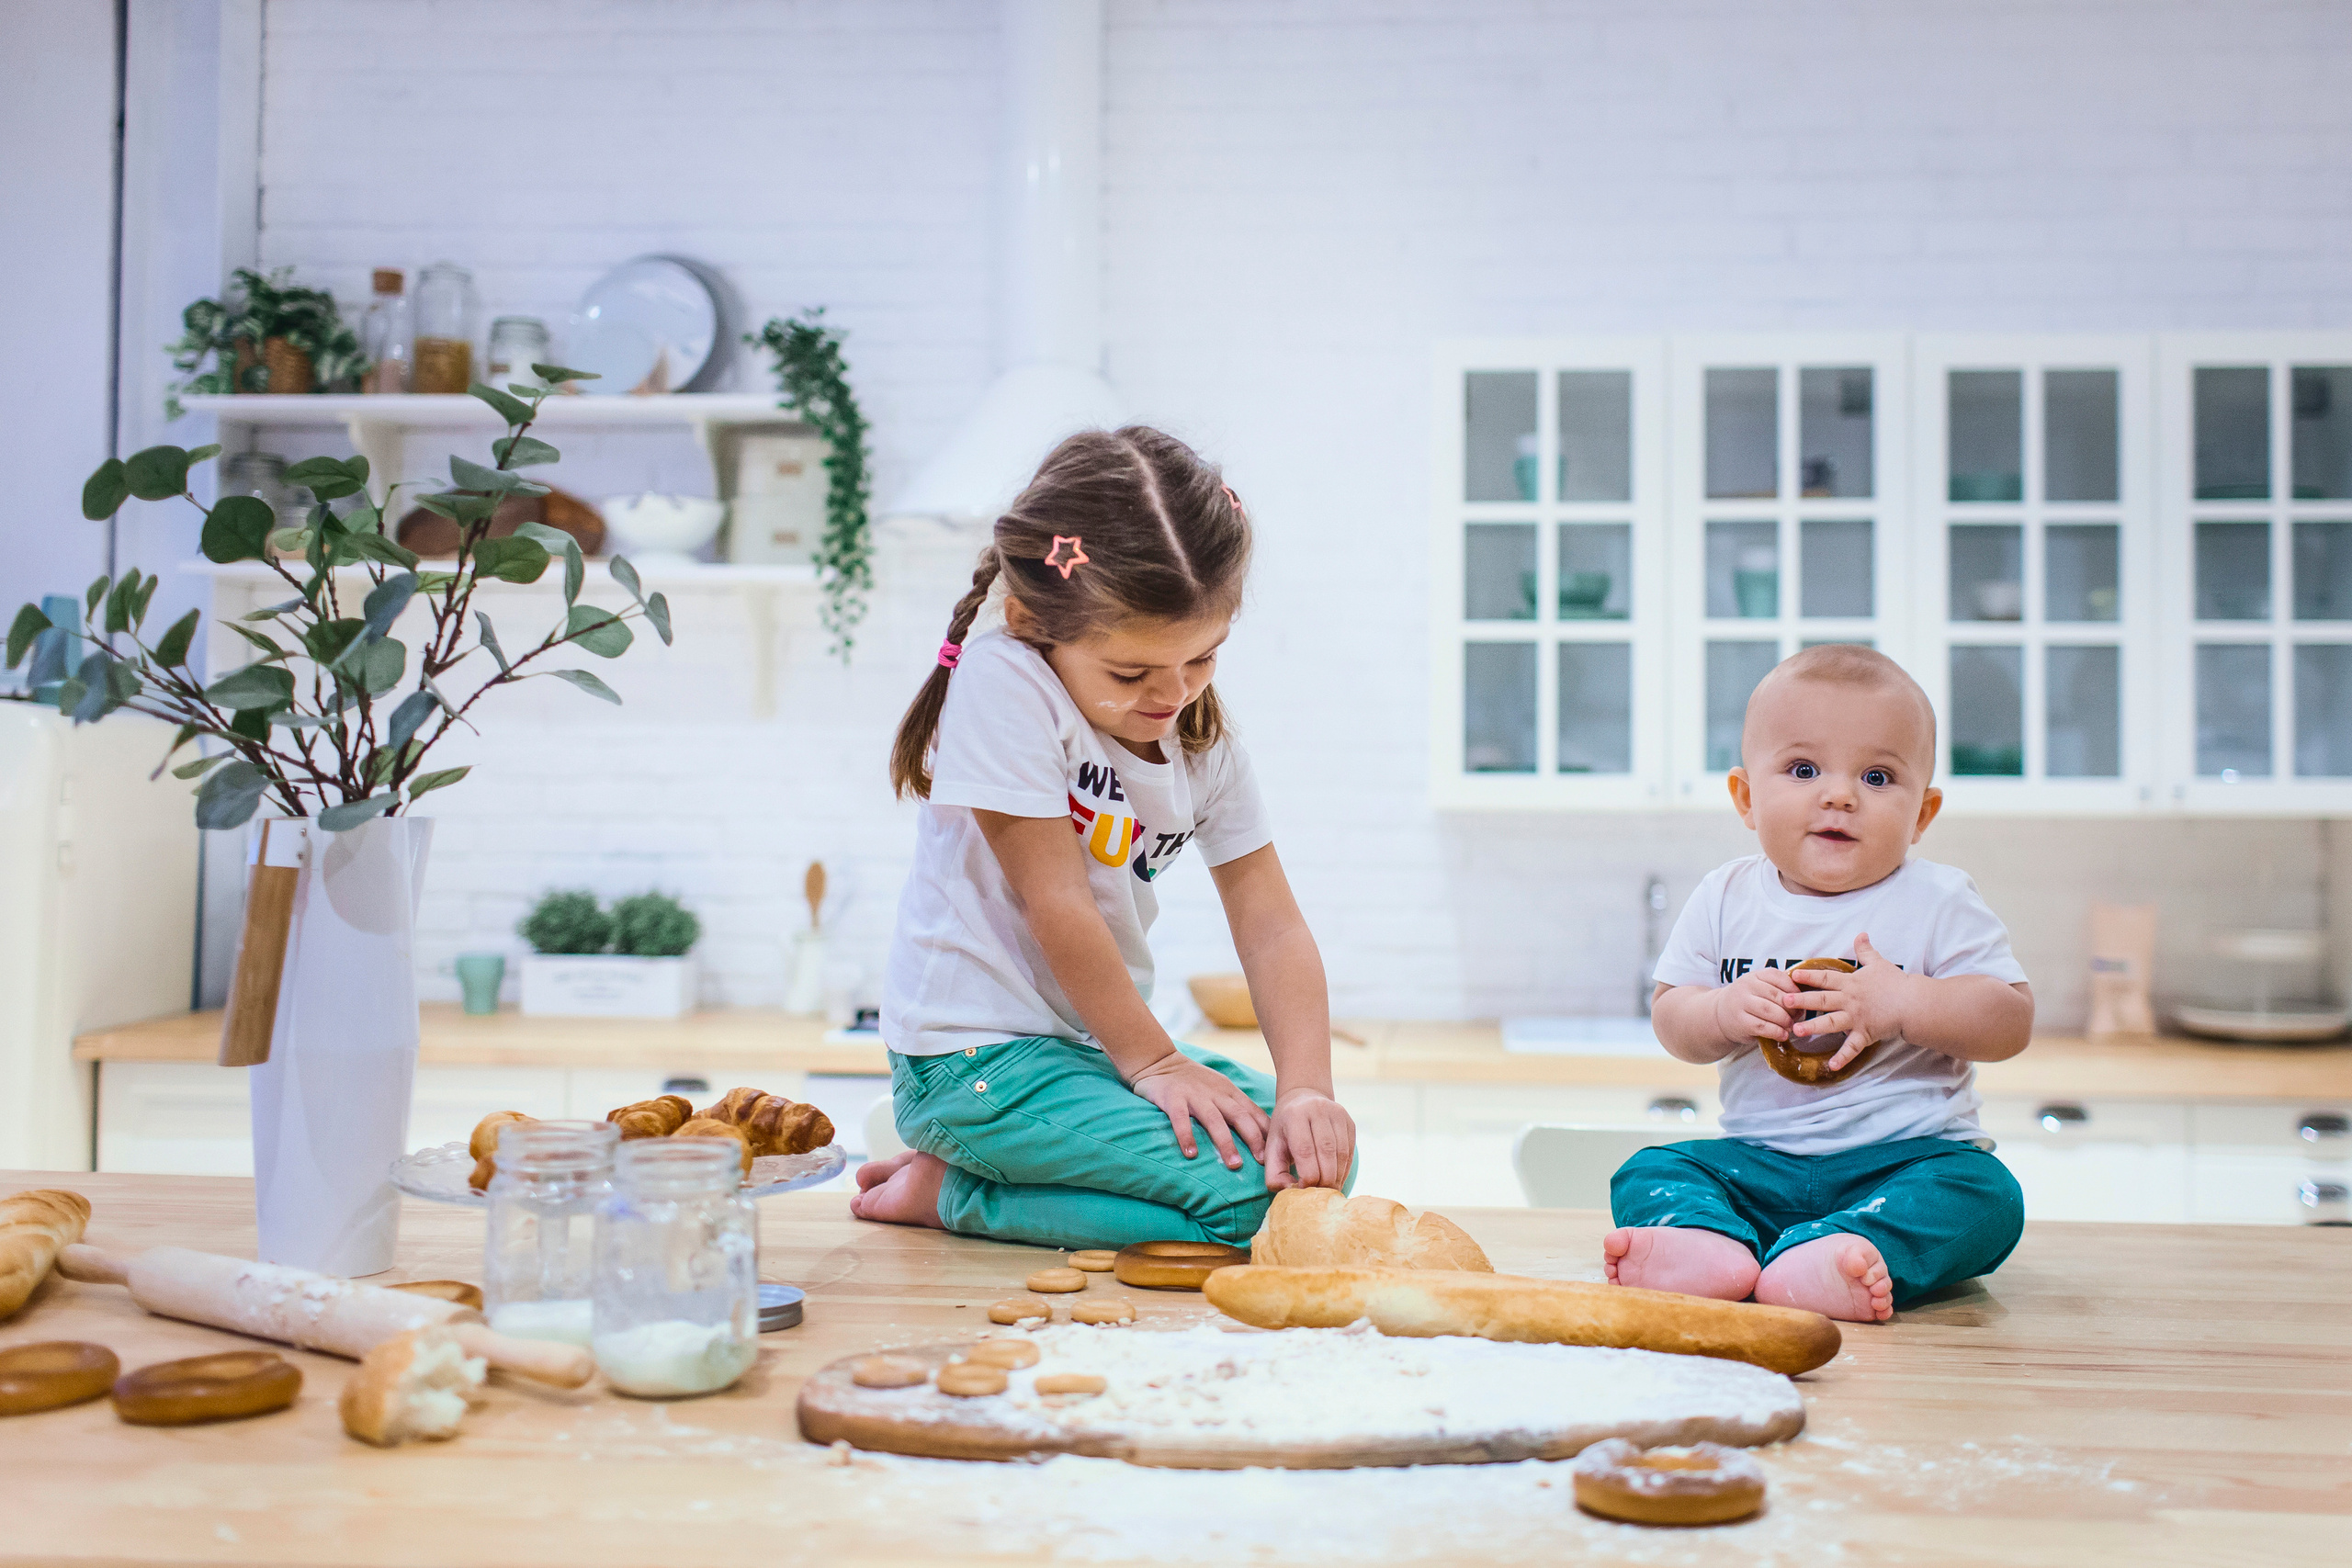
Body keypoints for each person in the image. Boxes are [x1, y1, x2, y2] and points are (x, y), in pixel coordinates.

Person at [852, 426, 1357, 1248]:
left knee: (1315, 1170)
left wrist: (1307, 1090)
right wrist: (1156, 1064)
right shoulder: (1004, 680)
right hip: (971, 1066)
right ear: (1031, 621)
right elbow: (1058, 902)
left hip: (1082, 1054)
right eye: (1131, 673)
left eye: (1203, 658)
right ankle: (952, 1194)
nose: (1175, 692)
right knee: (1251, 1211)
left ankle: (995, 1178)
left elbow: (1270, 924)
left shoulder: (1202, 743)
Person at [1605, 644, 2033, 1323]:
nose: (1840, 793)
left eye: (1878, 776)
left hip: (1902, 1164)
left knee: (1988, 1196)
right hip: (1758, 1165)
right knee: (1649, 1169)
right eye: (1804, 769)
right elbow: (1672, 1017)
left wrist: (1905, 1002)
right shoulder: (1727, 896)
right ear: (1746, 797)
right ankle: (1712, 1243)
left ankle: (1839, 1250)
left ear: (1923, 813)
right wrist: (1722, 1010)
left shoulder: (1938, 899)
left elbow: (2010, 1019)